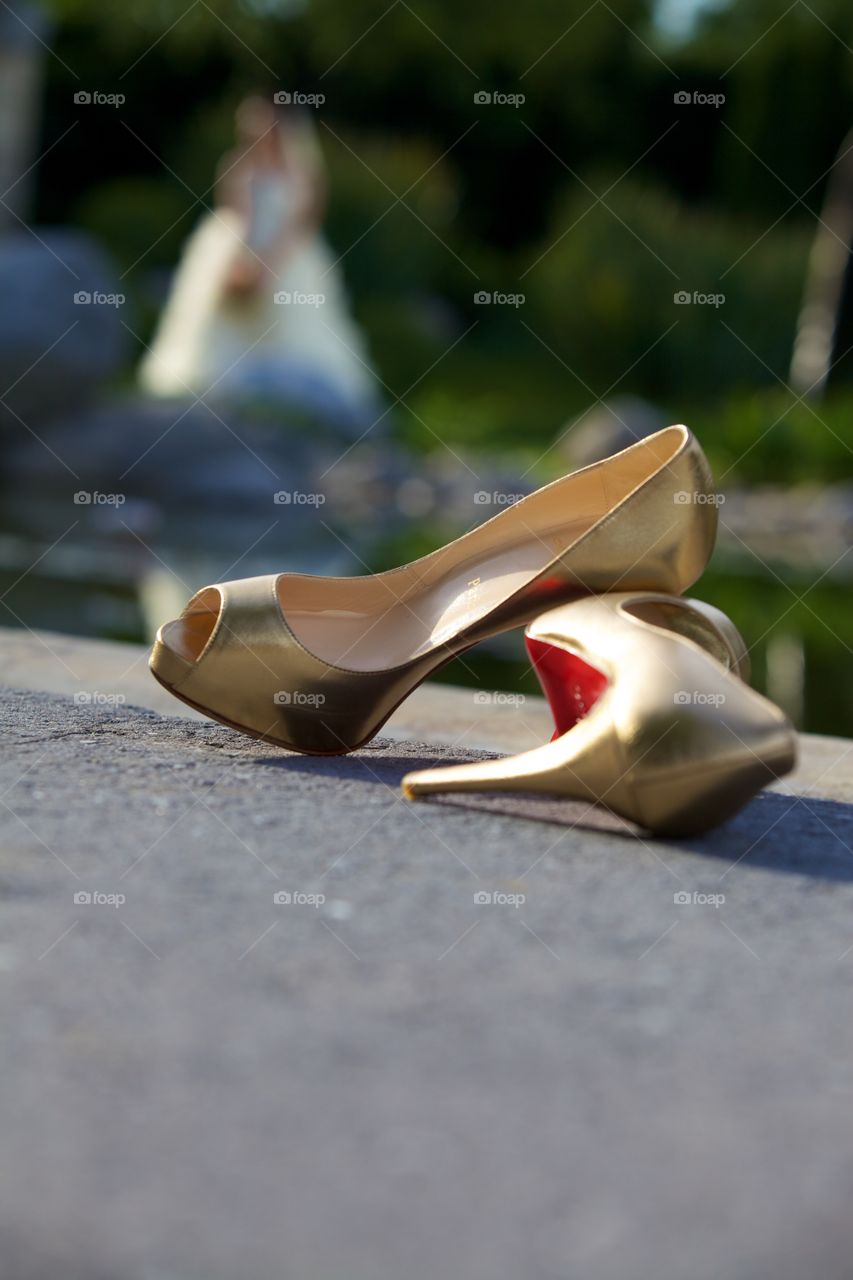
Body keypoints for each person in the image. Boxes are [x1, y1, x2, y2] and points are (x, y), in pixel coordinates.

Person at [139, 95, 376, 425]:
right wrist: (242, 264)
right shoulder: (236, 165)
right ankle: (217, 394)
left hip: (290, 259)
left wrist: (269, 267)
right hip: (242, 251)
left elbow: (301, 225)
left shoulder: (301, 171)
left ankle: (296, 402)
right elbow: (238, 218)